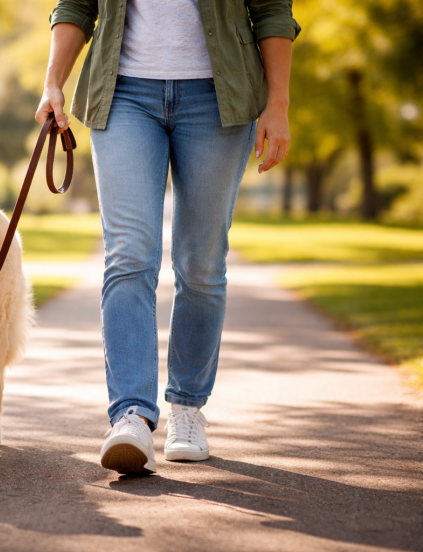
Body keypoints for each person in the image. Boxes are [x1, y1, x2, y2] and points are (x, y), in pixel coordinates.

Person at [36, 0, 300, 474]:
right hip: (122, 93)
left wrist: (278, 103)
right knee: (129, 254)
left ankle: (186, 407)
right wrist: (53, 80)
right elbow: (76, 5)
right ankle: (131, 415)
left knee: (200, 262)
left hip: (221, 95)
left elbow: (273, 12)